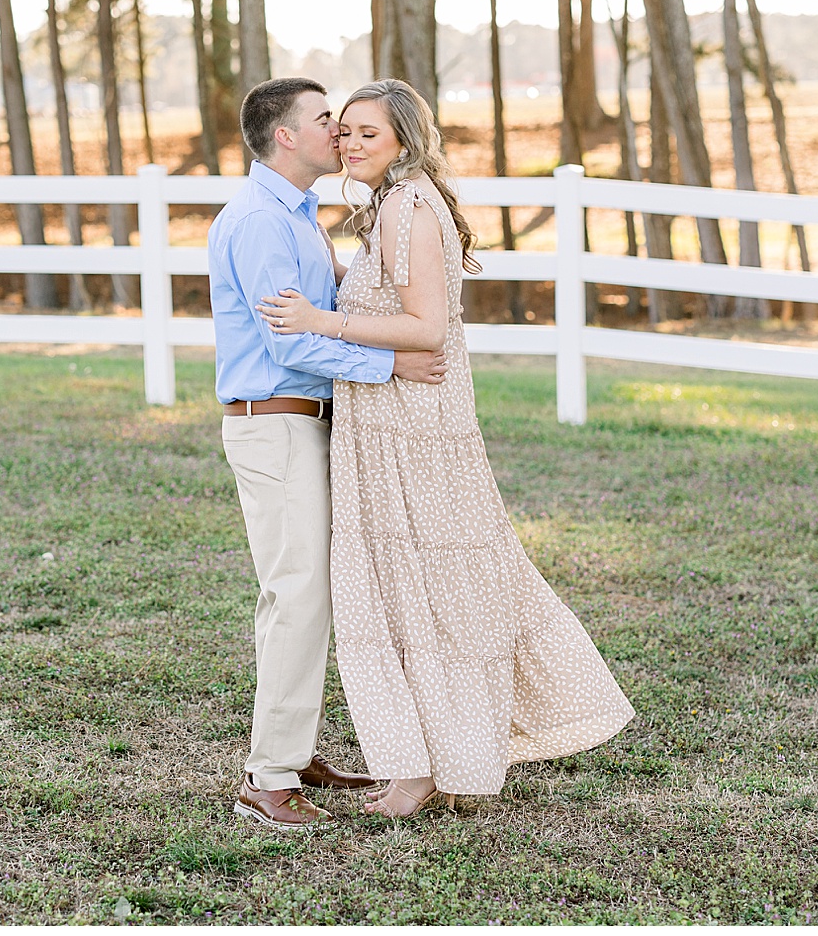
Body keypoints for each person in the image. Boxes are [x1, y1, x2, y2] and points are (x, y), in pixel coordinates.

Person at [259, 78, 635, 818]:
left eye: (369, 132)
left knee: (424, 589)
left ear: (404, 137)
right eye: (347, 131)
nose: (352, 142)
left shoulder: (406, 206)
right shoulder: (391, 206)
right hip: (386, 418)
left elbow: (427, 328)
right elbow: (394, 304)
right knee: (412, 591)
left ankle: (425, 766)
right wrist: (339, 284)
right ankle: (424, 760)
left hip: (412, 429)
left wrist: (318, 320)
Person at [208, 77, 451, 832]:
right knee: (299, 592)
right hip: (273, 421)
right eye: (325, 122)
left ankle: (293, 747)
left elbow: (336, 308)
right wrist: (392, 364)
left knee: (306, 592)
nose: (339, 134)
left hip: (311, 421)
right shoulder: (256, 221)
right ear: (286, 136)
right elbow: (291, 335)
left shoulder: (302, 216)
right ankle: (269, 778)